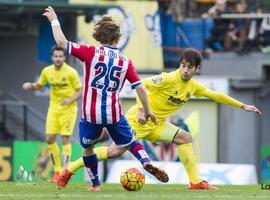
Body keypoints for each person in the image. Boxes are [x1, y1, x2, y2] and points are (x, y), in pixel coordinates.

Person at [60, 48, 262, 190]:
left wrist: (242, 105)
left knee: (185, 137)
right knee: (114, 152)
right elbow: (141, 84)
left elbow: (216, 95)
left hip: (156, 125)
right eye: (183, 65)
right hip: (136, 120)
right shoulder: (168, 78)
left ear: (196, 69)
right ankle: (70, 169)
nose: (185, 69)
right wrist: (140, 109)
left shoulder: (193, 87)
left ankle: (195, 182)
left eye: (189, 67)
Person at [42, 6, 169, 192]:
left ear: (100, 37)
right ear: (118, 38)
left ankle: (96, 185)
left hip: (90, 114)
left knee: (88, 149)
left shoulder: (90, 53)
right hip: (113, 113)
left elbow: (61, 42)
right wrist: (148, 111)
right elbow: (140, 88)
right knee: (131, 141)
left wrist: (54, 19)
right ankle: (146, 161)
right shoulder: (125, 62)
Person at [22, 46, 82, 183]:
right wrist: (30, 85)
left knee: (66, 138)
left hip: (69, 109)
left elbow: (80, 91)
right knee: (50, 139)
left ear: (64, 58)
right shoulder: (47, 71)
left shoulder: (71, 72)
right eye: (56, 56)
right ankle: (56, 171)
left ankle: (64, 171)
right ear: (52, 57)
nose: (58, 59)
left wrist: (70, 100)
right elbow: (39, 85)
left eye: (60, 56)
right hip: (54, 109)